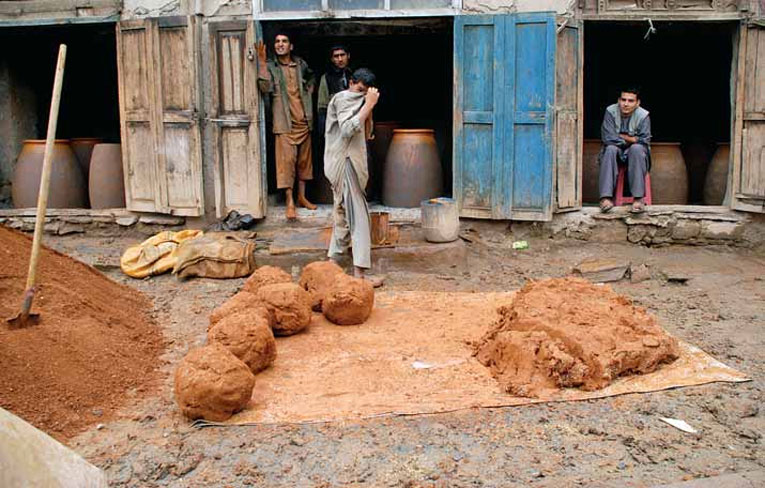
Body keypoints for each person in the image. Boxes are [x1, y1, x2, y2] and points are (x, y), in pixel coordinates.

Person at [324, 68, 382, 286]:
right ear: (351, 83)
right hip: (344, 162)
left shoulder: (356, 100)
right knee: (359, 217)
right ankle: (359, 276)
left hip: (348, 161)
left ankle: (330, 266)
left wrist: (368, 107)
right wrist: (368, 104)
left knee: (341, 215)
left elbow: (366, 134)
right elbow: (348, 129)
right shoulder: (342, 99)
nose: (361, 94)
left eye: (364, 92)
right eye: (359, 89)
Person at [256, 32, 317, 220]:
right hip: (284, 123)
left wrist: (310, 88)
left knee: (303, 162)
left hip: (304, 121)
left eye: (284, 41)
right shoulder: (272, 66)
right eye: (277, 42)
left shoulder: (300, 64)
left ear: (291, 46)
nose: (280, 44)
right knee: (286, 163)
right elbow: (264, 87)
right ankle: (290, 202)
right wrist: (262, 62)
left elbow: (311, 77)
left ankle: (302, 197)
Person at [598, 87, 651, 214]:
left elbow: (644, 140)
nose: (626, 104)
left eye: (631, 101)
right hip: (614, 153)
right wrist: (631, 139)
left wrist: (622, 137)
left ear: (637, 103)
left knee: (637, 149)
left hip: (637, 156)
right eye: (623, 100)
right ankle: (605, 198)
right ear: (618, 100)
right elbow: (608, 138)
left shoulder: (643, 115)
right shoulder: (610, 111)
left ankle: (638, 199)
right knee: (610, 149)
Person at [317, 45, 353, 133]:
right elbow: (322, 106)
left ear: (348, 56)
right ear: (332, 59)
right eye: (336, 56)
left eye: (342, 55)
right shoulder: (326, 78)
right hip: (335, 123)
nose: (340, 59)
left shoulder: (354, 75)